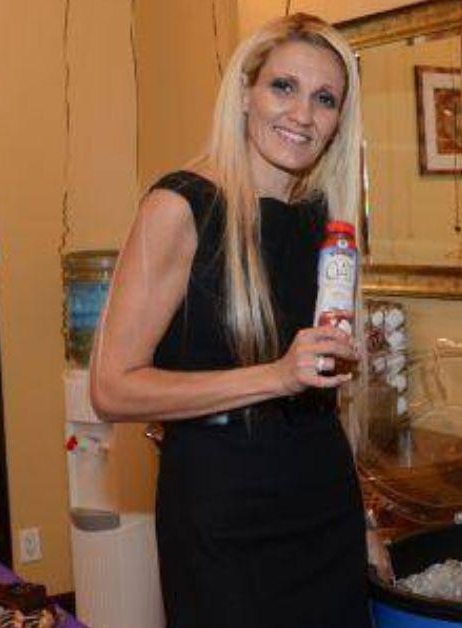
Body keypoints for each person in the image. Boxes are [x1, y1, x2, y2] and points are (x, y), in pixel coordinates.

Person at [90, 14, 380, 627]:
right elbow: (112, 388)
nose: (302, 114)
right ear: (246, 91)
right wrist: (275, 376)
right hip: (220, 518)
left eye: (324, 99)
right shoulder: (181, 206)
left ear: (338, 122)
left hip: (325, 510)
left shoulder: (326, 222)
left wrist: (367, 523)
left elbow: (328, 399)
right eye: (283, 87)